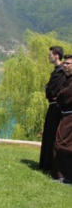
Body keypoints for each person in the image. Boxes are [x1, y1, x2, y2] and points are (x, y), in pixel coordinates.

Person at [39, 46, 67, 171]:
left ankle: (49, 164)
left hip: (55, 107)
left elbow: (51, 91)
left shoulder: (60, 71)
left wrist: (47, 88)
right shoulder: (57, 71)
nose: (48, 56)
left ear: (56, 55)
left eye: (50, 54)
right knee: (48, 133)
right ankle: (46, 163)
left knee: (51, 134)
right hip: (54, 106)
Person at [52, 54, 72, 183]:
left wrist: (58, 96)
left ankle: (63, 175)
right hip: (67, 113)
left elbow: (63, 95)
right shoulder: (68, 79)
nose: (65, 65)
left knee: (61, 143)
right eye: (64, 63)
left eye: (68, 63)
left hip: (70, 116)